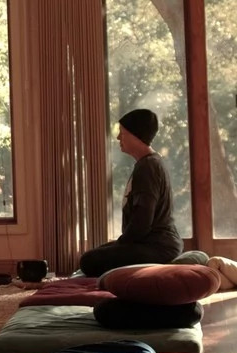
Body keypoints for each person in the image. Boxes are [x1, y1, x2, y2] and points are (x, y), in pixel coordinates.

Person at [78, 108, 183, 277]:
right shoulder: (149, 163)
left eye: (123, 133)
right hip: (153, 244)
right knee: (97, 252)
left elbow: (142, 220)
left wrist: (122, 245)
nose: (119, 137)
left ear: (136, 135)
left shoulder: (147, 167)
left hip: (157, 247)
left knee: (88, 260)